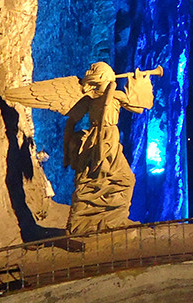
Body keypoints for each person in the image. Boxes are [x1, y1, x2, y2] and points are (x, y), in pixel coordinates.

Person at [62, 62, 153, 234]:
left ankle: (109, 220)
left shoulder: (109, 97)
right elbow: (139, 108)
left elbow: (138, 108)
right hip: (102, 140)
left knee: (105, 180)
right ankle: (92, 223)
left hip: (105, 140)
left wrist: (136, 82)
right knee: (116, 179)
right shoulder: (96, 99)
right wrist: (68, 152)